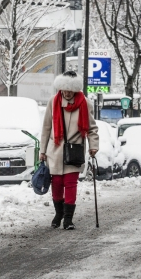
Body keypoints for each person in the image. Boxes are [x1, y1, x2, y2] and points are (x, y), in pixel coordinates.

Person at [39, 71, 99, 230]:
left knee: (70, 183)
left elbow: (92, 128)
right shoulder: (53, 102)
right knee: (57, 183)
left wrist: (93, 146)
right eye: (63, 89)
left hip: (74, 150)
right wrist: (42, 150)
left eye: (69, 89)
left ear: (75, 89)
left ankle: (68, 219)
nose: (66, 92)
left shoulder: (84, 103)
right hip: (56, 149)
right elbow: (46, 127)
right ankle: (58, 213)